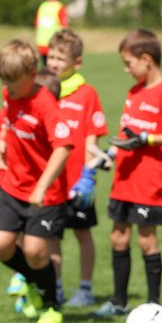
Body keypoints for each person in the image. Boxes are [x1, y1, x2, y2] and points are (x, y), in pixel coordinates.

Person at [92, 29, 162, 317]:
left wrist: (148, 139)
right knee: (118, 237)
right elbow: (126, 133)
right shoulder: (134, 92)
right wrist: (110, 154)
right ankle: (119, 302)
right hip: (124, 178)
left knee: (147, 240)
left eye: (128, 63)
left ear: (146, 59)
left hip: (150, 181)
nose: (126, 70)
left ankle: (154, 306)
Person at [0, 39, 74, 323]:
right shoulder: (9, 94)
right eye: (4, 81)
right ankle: (34, 283)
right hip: (13, 185)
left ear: (33, 75)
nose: (8, 88)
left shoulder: (45, 105)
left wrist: (41, 186)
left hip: (45, 193)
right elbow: (8, 121)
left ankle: (51, 305)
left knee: (37, 251)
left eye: (14, 82)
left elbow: (63, 147)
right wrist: (1, 142)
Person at [47, 28, 110, 308]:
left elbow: (92, 139)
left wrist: (89, 176)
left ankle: (85, 289)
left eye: (60, 58)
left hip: (77, 183)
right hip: (51, 182)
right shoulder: (44, 91)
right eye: (50, 57)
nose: (54, 63)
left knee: (83, 234)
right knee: (51, 236)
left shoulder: (87, 94)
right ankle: (56, 287)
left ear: (77, 62)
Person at [34, 0, 69, 68]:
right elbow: (64, 26)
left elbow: (37, 24)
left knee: (45, 66)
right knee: (54, 68)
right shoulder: (60, 7)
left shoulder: (42, 6)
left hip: (41, 42)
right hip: (54, 42)